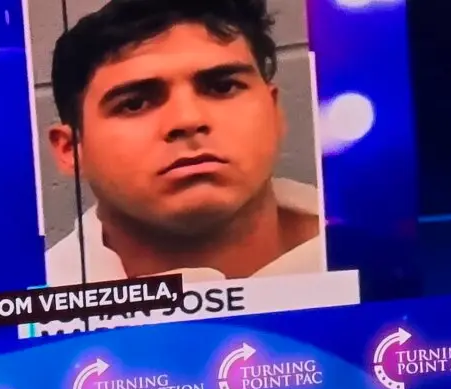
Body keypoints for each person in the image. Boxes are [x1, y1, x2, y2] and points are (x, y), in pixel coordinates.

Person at [44, 0, 323, 286]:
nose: (187, 120)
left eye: (223, 87)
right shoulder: (22, 315)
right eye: (134, 104)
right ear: (71, 150)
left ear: (274, 112)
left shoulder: (366, 260)